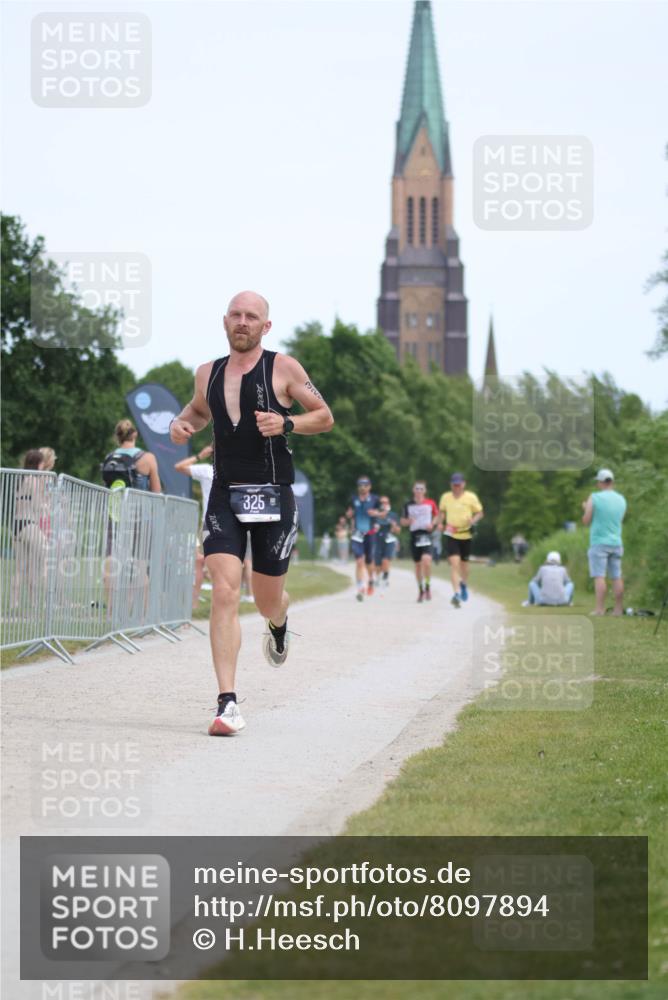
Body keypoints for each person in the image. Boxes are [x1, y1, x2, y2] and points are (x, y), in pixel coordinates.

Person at [169, 290, 334, 736]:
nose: (243, 322)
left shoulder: (285, 368)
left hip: (274, 495)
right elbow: (198, 411)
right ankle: (228, 704)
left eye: (252, 316)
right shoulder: (207, 372)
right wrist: (180, 423)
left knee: (264, 600)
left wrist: (288, 422)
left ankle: (279, 622)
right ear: (225, 322)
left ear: (266, 326)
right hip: (224, 494)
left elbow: (324, 415)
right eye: (236, 315)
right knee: (223, 590)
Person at [582, 468, 627, 616]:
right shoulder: (621, 499)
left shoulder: (594, 497)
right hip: (616, 542)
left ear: (601, 482)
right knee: (616, 576)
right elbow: (618, 520)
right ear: (612, 482)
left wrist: (585, 509)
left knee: (599, 576)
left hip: (599, 542)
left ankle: (600, 609)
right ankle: (618, 609)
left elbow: (586, 521)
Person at [175, 444, 215, 609]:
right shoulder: (236, 471)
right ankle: (200, 602)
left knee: (203, 563)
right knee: (209, 564)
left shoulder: (207, 471)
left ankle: (195, 602)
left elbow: (179, 467)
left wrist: (200, 455)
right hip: (224, 524)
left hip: (210, 523)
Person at [439, 473, 484, 608]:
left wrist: (473, 520)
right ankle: (456, 593)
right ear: (451, 484)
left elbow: (480, 513)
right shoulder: (446, 497)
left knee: (464, 565)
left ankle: (463, 583)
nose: (456, 487)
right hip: (451, 534)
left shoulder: (471, 497)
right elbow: (442, 513)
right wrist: (440, 523)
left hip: (466, 535)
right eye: (454, 484)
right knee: (455, 564)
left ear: (463, 484)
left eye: (458, 484)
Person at [401, 481, 439, 602]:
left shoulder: (430, 503)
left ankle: (427, 586)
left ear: (425, 491)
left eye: (421, 489)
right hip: (414, 535)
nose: (419, 491)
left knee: (426, 561)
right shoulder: (408, 505)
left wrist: (432, 524)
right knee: (418, 564)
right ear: (413, 490)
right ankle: (421, 590)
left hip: (426, 534)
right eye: (417, 488)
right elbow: (402, 521)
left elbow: (438, 516)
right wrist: (408, 522)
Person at [346, 476, 381, 601]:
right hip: (357, 534)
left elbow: (383, 513)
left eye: (365, 485)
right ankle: (360, 587)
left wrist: (376, 514)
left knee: (369, 561)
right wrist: (349, 515)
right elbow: (349, 513)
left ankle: (371, 579)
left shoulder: (375, 499)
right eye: (360, 485)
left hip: (370, 533)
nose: (362, 487)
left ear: (369, 486)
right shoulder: (353, 499)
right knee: (359, 560)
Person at [103, 420, 161, 494]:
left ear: (117, 436)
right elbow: (156, 491)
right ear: (135, 434)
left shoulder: (109, 457)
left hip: (113, 505)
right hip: (137, 504)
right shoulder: (148, 458)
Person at [373, 495, 401, 590]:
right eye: (382, 502)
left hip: (389, 539)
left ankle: (385, 578)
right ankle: (377, 577)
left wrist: (394, 526)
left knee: (386, 560)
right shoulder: (375, 515)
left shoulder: (393, 515)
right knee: (377, 563)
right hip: (377, 540)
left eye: (386, 502)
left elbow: (398, 530)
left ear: (389, 503)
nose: (384, 504)